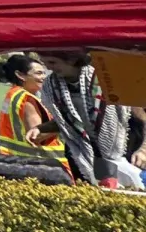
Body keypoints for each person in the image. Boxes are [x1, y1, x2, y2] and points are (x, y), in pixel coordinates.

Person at [33, 52, 146, 188]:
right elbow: (70, 121)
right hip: (83, 157)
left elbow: (142, 118)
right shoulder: (52, 86)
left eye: (53, 62)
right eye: (45, 63)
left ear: (73, 59)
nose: (49, 68)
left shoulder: (109, 81)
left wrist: (144, 150)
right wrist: (40, 129)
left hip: (125, 155)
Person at [0, 54, 68, 166]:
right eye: (38, 73)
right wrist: (66, 125)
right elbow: (35, 136)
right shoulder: (28, 100)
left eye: (43, 73)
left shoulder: (12, 94)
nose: (43, 77)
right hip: (44, 164)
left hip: (16, 160)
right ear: (20, 75)